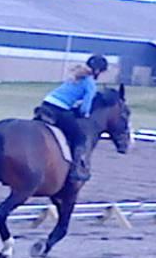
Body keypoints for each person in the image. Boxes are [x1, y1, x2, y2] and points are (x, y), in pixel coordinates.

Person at [34, 54, 109, 182]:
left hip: (46, 103)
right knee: (80, 137)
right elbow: (86, 105)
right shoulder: (90, 83)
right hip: (59, 109)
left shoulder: (76, 76)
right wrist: (84, 114)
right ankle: (75, 170)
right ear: (97, 70)